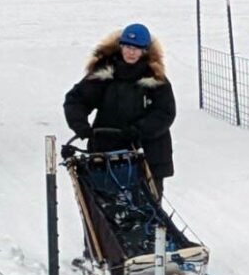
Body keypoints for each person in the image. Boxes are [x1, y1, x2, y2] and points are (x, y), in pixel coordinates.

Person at [64, 23, 176, 199]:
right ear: (120, 46)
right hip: (107, 152)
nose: (131, 52)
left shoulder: (156, 79)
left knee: (148, 207)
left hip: (147, 154)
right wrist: (80, 125)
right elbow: (76, 100)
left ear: (145, 51)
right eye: (127, 47)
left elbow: (165, 112)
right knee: (106, 208)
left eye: (137, 48)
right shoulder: (105, 74)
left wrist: (139, 130)